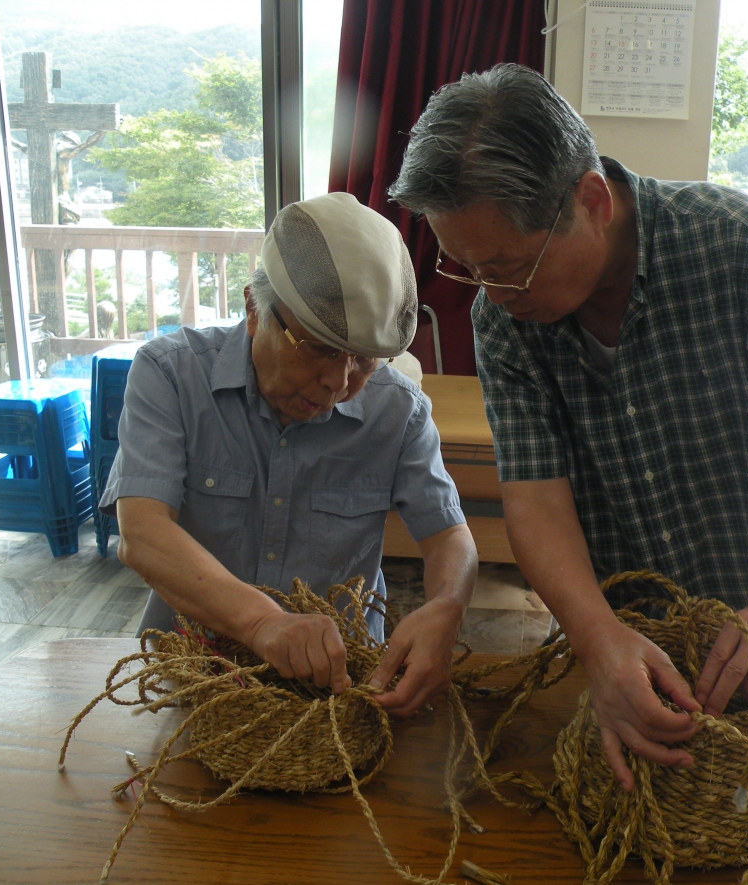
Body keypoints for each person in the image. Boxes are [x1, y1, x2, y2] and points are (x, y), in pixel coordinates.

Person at [388, 64, 748, 789]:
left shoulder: (736, 249)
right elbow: (535, 497)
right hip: (628, 636)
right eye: (469, 269)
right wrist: (597, 639)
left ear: (591, 200)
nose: (491, 295)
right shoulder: (506, 317)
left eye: (510, 268)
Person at [101, 193, 478, 718]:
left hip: (339, 686)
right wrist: (261, 623)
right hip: (190, 672)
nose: (338, 383)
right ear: (256, 310)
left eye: (365, 362)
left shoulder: (398, 410)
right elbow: (141, 534)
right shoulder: (171, 374)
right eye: (321, 349)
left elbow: (450, 537)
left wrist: (446, 608)